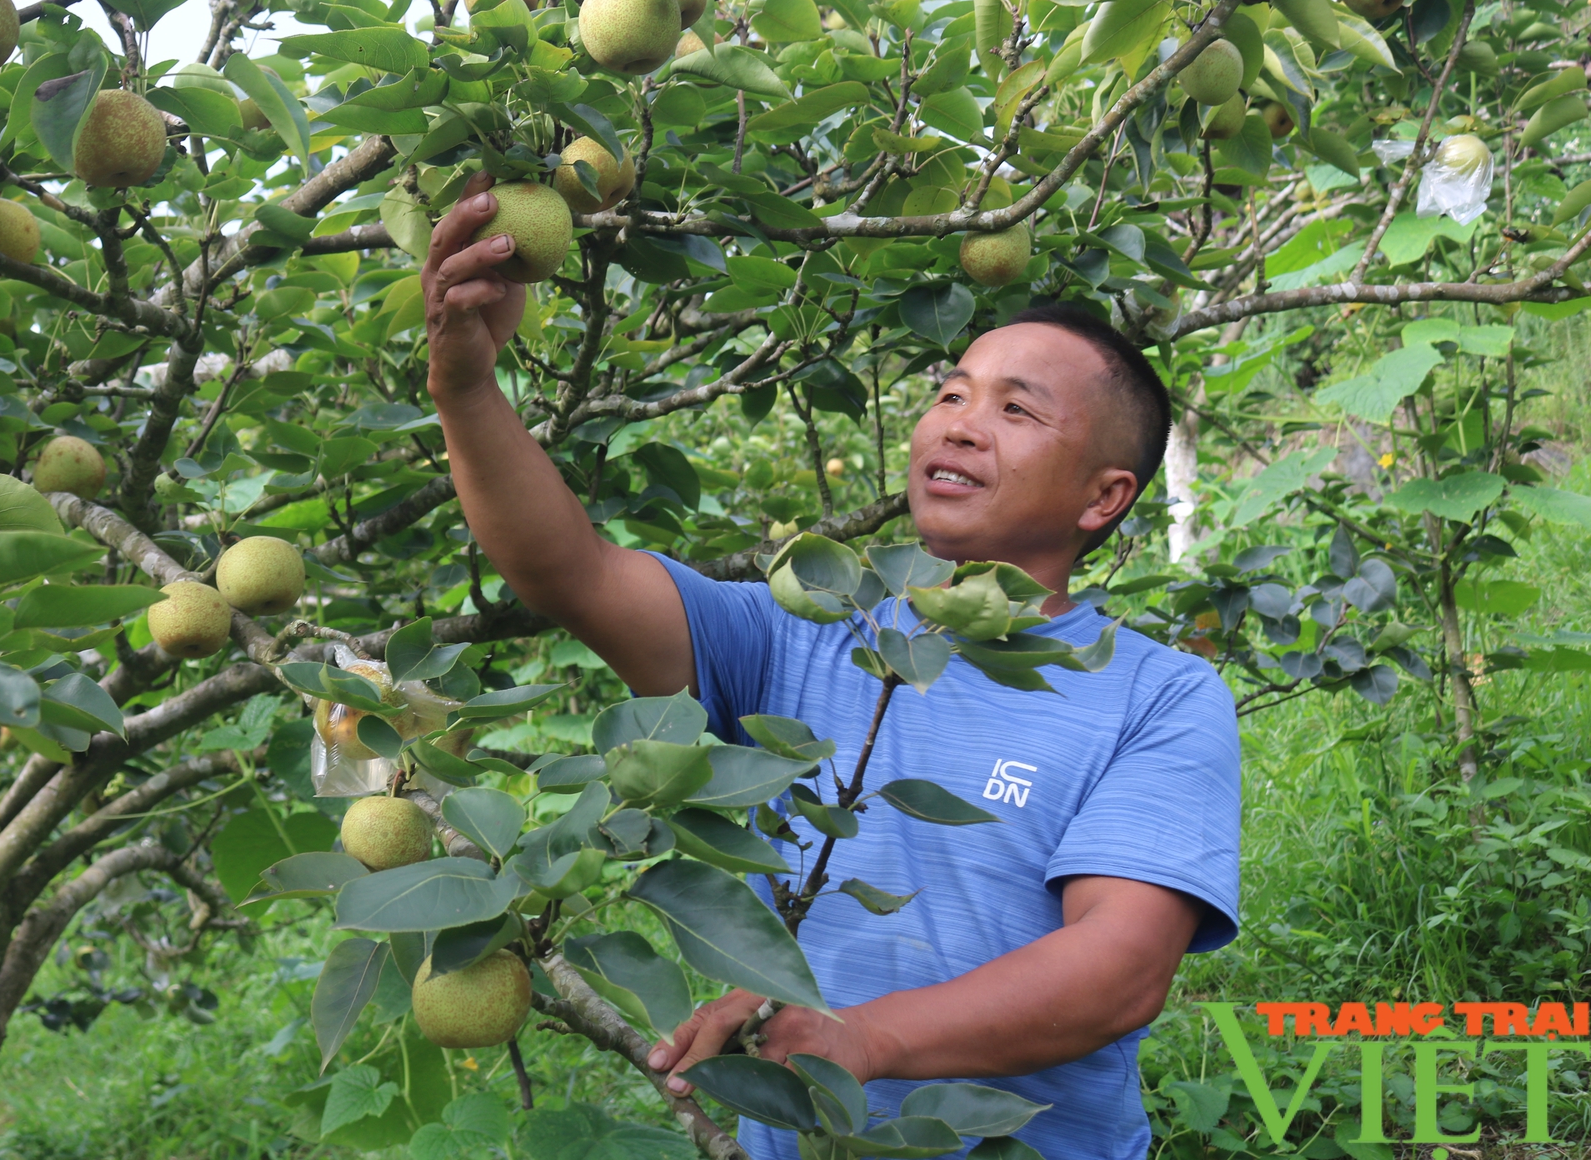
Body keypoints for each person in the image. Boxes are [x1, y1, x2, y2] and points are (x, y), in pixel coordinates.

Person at [421, 173, 1241, 1160]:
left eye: (1015, 411)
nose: (957, 422)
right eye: (948, 392)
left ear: (1102, 497)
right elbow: (572, 573)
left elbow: (1118, 967)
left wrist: (870, 1036)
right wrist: (465, 385)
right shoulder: (802, 633)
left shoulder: (1155, 694)